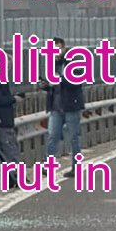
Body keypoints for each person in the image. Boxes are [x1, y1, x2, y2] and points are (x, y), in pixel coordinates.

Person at [41, 37, 85, 173]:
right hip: (55, 107)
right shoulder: (51, 65)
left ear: (64, 48)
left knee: (73, 138)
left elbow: (77, 81)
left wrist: (59, 80)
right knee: (53, 136)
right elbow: (52, 85)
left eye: (58, 48)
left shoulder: (73, 63)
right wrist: (46, 85)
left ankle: (76, 167)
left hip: (71, 106)